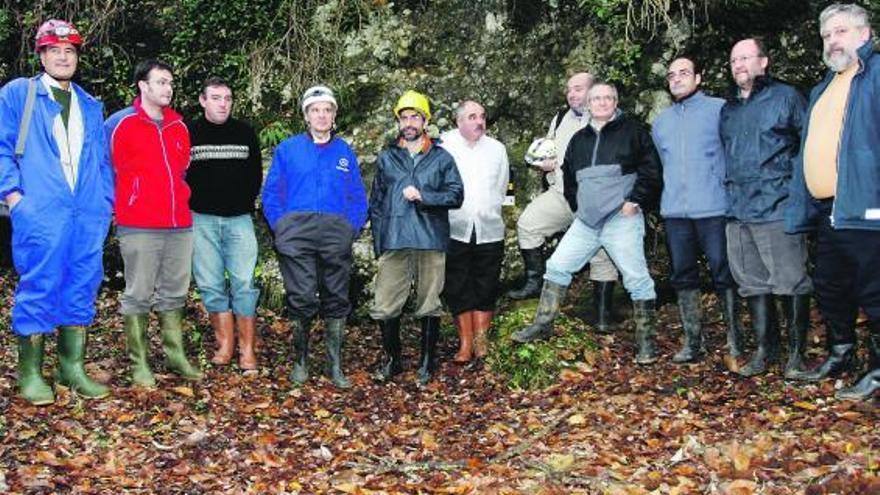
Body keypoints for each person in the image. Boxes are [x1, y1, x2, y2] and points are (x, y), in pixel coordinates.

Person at [0, 19, 112, 405]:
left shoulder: (89, 104)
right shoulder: (19, 94)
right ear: (42, 55)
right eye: (55, 51)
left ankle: (71, 368)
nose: (63, 57)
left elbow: (101, 160)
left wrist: (105, 203)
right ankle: (31, 373)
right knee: (41, 282)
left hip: (87, 209)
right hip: (41, 206)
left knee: (83, 280)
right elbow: (1, 145)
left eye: (70, 52)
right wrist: (14, 197)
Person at [511, 82, 663, 365]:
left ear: (616, 102)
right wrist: (578, 207)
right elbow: (569, 177)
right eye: (597, 98)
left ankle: (646, 342)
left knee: (637, 279)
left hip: (621, 219)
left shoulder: (634, 133)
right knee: (557, 267)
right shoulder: (579, 140)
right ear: (589, 104)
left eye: (608, 98)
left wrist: (635, 201)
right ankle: (543, 324)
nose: (602, 103)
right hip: (587, 223)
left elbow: (651, 171)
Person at [785, 3, 880, 400]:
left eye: (840, 32)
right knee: (829, 286)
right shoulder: (823, 87)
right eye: (826, 35)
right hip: (829, 210)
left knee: (874, 290)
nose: (831, 41)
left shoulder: (875, 76)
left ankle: (877, 371)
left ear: (865, 33)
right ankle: (840, 354)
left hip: (868, 206)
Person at [262, 85, 368, 389]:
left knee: (337, 297)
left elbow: (358, 198)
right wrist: (281, 225)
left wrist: (350, 228)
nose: (321, 116)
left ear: (334, 115)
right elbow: (271, 194)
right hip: (296, 233)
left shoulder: (344, 152)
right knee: (302, 296)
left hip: (335, 233)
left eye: (327, 110)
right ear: (306, 116)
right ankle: (301, 360)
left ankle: (334, 364)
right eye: (315, 110)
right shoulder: (288, 149)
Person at [106, 59, 203, 387]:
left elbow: (183, 169)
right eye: (161, 82)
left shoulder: (179, 126)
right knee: (139, 292)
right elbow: (105, 169)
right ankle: (140, 363)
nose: (168, 88)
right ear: (143, 86)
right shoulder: (121, 124)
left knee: (175, 290)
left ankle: (175, 355)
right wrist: (121, 203)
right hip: (139, 222)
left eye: (170, 83)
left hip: (179, 222)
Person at [719, 38, 812, 378]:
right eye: (733, 60)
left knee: (789, 281)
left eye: (746, 57)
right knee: (752, 283)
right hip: (737, 210)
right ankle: (765, 350)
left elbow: (809, 146)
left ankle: (797, 355)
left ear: (764, 61)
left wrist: (799, 196)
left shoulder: (786, 97)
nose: (739, 65)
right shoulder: (729, 109)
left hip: (777, 206)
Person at [508, 73, 621, 333]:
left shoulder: (610, 118)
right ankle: (534, 281)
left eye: (578, 89)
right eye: (569, 90)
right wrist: (544, 163)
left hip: (597, 201)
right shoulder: (560, 118)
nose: (572, 94)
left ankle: (602, 315)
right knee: (528, 224)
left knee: (602, 253)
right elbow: (549, 150)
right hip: (561, 194)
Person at [369, 90, 464, 385]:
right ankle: (393, 361)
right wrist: (379, 242)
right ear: (398, 121)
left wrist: (425, 197)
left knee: (429, 303)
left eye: (415, 117)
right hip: (395, 238)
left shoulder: (441, 157)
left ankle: (426, 363)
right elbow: (377, 203)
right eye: (405, 117)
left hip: (429, 238)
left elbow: (456, 195)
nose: (410, 122)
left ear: (426, 121)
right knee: (385, 304)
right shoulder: (387, 157)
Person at [652, 56, 742, 363]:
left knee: (723, 271)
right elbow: (662, 165)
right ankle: (693, 341)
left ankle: (735, 339)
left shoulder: (720, 109)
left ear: (698, 77)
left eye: (684, 73)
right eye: (672, 75)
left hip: (714, 207)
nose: (676, 79)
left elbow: (734, 153)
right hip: (675, 211)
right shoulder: (661, 122)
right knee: (683, 275)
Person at [186, 77, 262, 370]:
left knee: (244, 282)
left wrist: (242, 203)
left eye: (227, 98)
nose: (222, 103)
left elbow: (255, 175)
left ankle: (247, 349)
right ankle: (225, 344)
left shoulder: (244, 133)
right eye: (216, 98)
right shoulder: (190, 132)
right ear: (203, 100)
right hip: (201, 219)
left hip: (239, 220)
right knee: (210, 283)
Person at [440, 100, 509, 363]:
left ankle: (481, 341)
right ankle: (465, 343)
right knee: (457, 285)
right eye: (471, 116)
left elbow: (502, 186)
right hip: (454, 228)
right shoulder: (444, 146)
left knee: (486, 283)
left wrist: (490, 208)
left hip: (489, 228)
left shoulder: (497, 149)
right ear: (458, 121)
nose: (479, 121)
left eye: (482, 116)